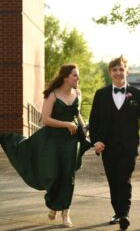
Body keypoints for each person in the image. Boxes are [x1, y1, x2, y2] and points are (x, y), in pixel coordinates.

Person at [0, 64, 91, 227]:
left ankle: (65, 213)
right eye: (75, 75)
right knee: (54, 174)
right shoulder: (53, 95)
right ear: (66, 77)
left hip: (71, 142)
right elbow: (45, 119)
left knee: (68, 176)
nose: (78, 78)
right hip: (52, 141)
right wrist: (66, 124)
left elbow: (77, 114)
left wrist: (84, 129)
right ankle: (54, 205)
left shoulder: (78, 93)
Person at [89, 55, 140, 230]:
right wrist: (95, 141)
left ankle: (124, 214)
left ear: (127, 71)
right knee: (113, 181)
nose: (118, 73)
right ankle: (118, 213)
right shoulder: (101, 95)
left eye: (121, 69)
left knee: (124, 179)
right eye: (115, 70)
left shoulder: (137, 94)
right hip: (107, 146)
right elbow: (93, 122)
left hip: (128, 146)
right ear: (110, 73)